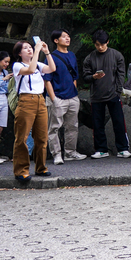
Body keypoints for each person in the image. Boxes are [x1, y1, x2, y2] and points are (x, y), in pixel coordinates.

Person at [12, 38, 57, 185]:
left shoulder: (38, 64)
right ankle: (21, 170)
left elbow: (52, 69)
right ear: (19, 53)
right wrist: (37, 50)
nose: (30, 49)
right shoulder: (17, 65)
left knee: (42, 136)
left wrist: (47, 52)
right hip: (26, 101)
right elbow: (29, 70)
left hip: (40, 100)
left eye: (30, 47)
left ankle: (40, 167)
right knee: (22, 137)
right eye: (25, 48)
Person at [82, 29, 130, 159]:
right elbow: (85, 77)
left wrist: (118, 90)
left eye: (102, 44)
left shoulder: (116, 55)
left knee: (119, 122)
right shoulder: (90, 58)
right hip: (96, 96)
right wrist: (94, 77)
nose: (100, 47)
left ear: (107, 42)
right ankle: (101, 149)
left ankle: (123, 148)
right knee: (97, 124)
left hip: (113, 94)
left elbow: (121, 74)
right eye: (97, 44)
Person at [45, 29, 85, 164]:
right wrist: (53, 98)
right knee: (54, 128)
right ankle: (57, 154)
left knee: (72, 126)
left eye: (68, 36)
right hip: (57, 97)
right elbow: (47, 80)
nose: (67, 39)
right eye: (64, 37)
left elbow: (75, 76)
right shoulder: (51, 57)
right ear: (56, 40)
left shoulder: (72, 55)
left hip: (72, 96)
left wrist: (75, 92)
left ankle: (70, 152)